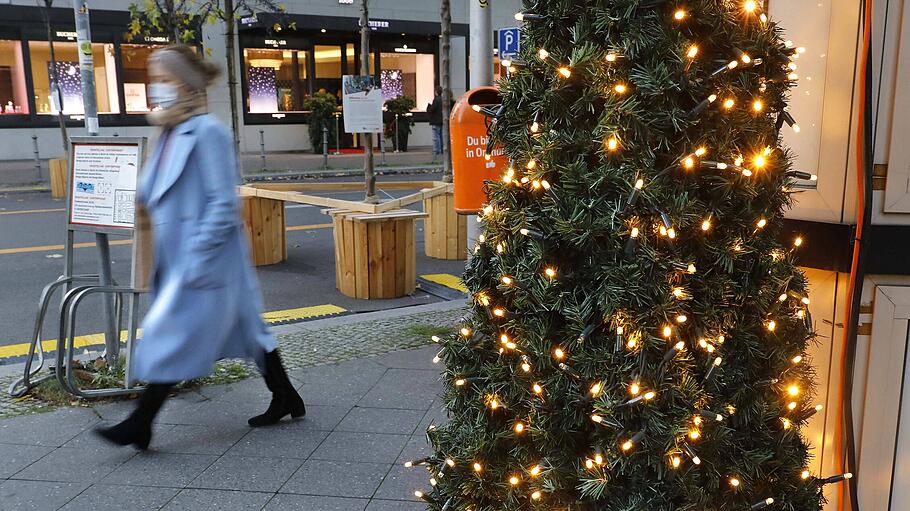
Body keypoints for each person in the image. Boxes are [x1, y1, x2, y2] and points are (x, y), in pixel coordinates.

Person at [96, 45, 305, 450]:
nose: (157, 88)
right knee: (250, 330)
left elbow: (223, 204)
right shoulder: (167, 132)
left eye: (164, 79)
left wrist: (197, 257)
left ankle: (141, 422)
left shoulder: (207, 132)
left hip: (206, 260)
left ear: (185, 84)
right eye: (154, 79)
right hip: (179, 257)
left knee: (171, 334)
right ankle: (286, 395)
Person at [427, 86, 444, 157]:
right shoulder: (443, 99)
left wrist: (429, 108)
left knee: (436, 136)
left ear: (436, 92)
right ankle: (442, 149)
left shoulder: (436, 100)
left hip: (435, 120)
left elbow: (432, 109)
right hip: (441, 120)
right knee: (441, 135)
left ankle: (437, 150)